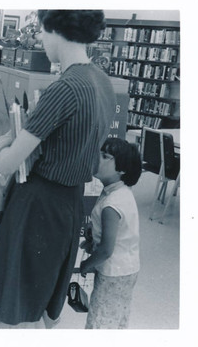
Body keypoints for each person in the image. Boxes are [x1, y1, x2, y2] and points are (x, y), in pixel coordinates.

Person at [0, 10, 117, 328]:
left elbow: (7, 163)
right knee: (47, 291)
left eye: (42, 32)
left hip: (39, 203)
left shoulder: (64, 89)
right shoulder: (102, 81)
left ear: (55, 30)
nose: (41, 39)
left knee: (22, 296)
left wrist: (8, 141)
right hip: (71, 202)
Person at [80, 138, 142, 329]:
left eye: (105, 156)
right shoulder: (119, 192)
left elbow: (106, 250)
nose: (97, 157)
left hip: (113, 272)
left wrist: (86, 264)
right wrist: (95, 235)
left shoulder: (111, 204)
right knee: (116, 317)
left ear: (121, 170)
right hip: (127, 268)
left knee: (100, 320)